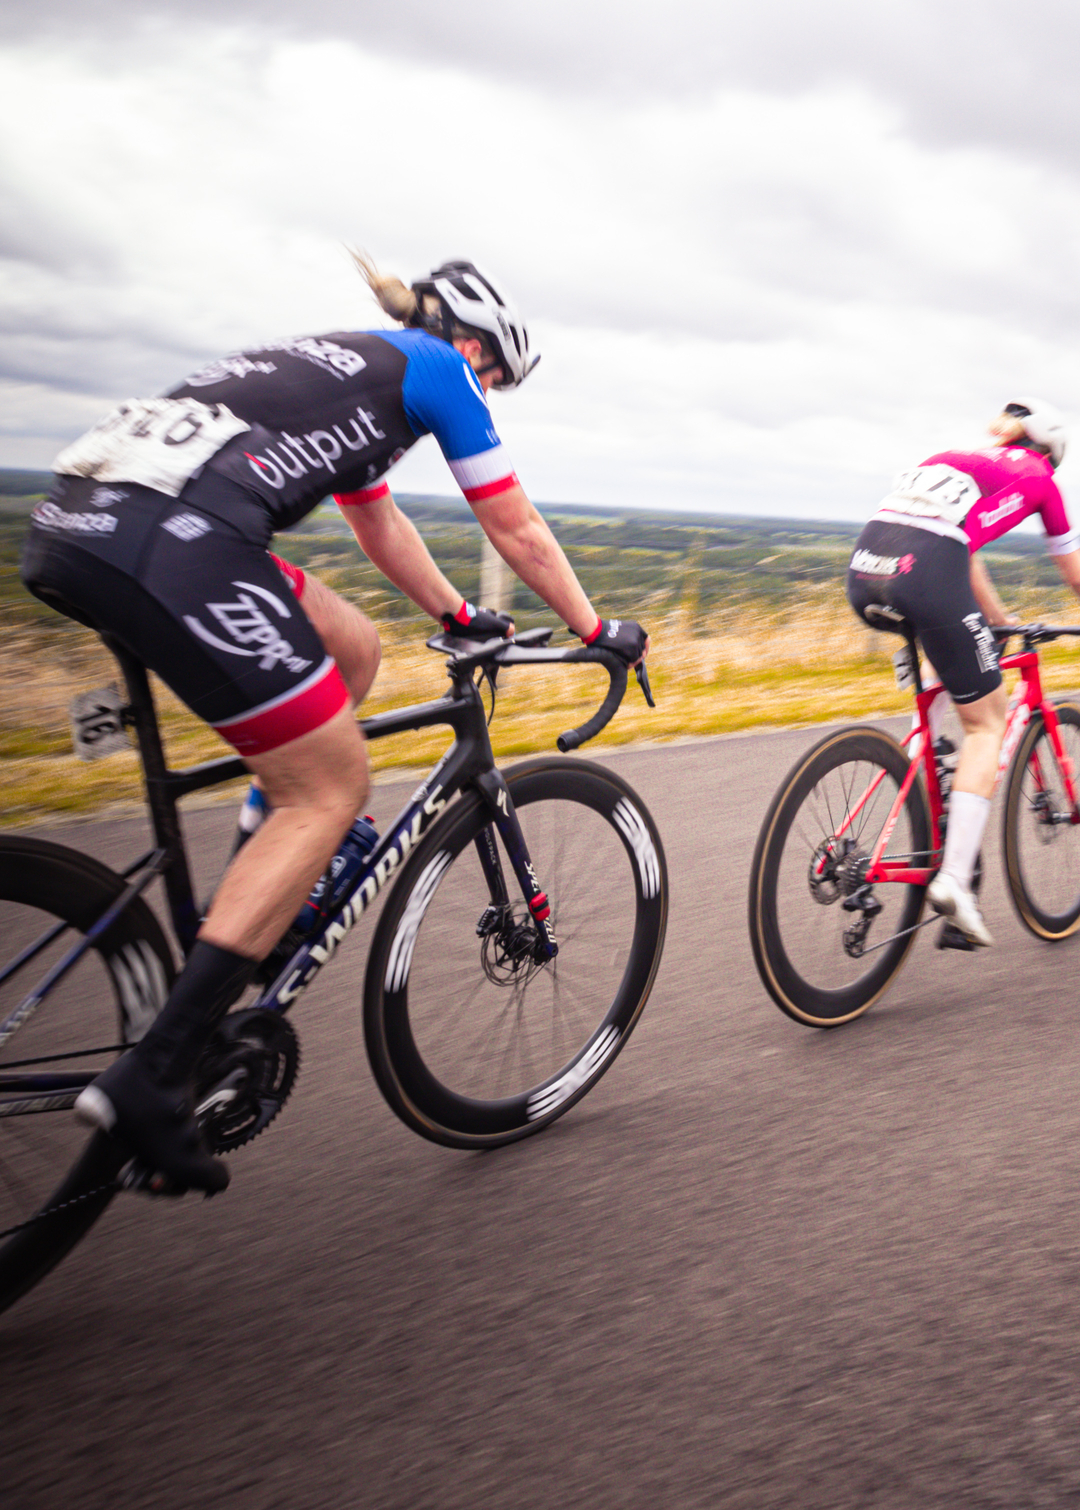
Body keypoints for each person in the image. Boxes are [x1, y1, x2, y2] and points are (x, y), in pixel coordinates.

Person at [19, 253, 647, 1197]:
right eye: (495, 380)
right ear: (472, 347)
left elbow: (377, 523)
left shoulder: (347, 367)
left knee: (350, 650)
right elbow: (515, 529)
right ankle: (155, 1073)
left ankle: (265, 892)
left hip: (78, 526)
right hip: (175, 545)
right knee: (332, 786)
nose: (488, 395)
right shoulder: (436, 372)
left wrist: (454, 614)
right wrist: (599, 630)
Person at [845, 399, 1080, 949]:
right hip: (927, 570)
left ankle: (918, 781)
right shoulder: (1039, 476)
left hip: (866, 568)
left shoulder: (957, 457)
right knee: (986, 724)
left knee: (941, 674)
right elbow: (1071, 565)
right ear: (1050, 451)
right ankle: (954, 882)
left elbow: (964, 551)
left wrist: (997, 623)